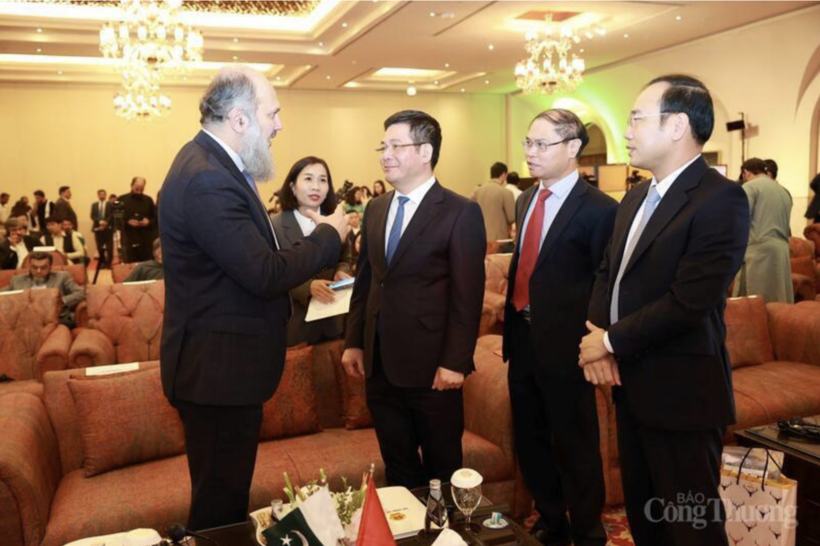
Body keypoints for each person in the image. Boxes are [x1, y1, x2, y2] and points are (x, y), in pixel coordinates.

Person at [158, 65, 348, 532]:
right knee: (219, 511)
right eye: (273, 113)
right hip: (218, 374)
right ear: (240, 119)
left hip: (221, 370)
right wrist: (329, 236)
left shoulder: (214, 166)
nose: (279, 124)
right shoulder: (207, 177)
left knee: (223, 499)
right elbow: (263, 272)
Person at [579, 75, 749, 546]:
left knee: (690, 525)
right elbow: (607, 273)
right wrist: (599, 339)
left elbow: (688, 303)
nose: (627, 131)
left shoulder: (721, 199)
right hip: (629, 385)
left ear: (676, 126)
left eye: (636, 118)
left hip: (682, 393)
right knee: (645, 518)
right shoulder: (635, 196)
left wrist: (609, 340)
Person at [342, 110, 486, 488]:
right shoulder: (375, 208)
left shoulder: (460, 212)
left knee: (443, 468)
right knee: (399, 467)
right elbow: (367, 282)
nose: (384, 155)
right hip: (380, 364)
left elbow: (467, 296)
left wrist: (455, 361)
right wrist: (354, 342)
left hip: (432, 369)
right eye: (383, 146)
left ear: (425, 151)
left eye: (395, 146)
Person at [504, 109, 617, 546]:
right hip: (522, 338)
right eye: (527, 144)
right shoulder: (525, 198)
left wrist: (598, 342)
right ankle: (551, 518)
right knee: (530, 439)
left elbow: (603, 283)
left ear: (572, 148)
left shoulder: (601, 209)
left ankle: (588, 530)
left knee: (576, 443)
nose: (530, 153)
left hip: (570, 345)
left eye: (541, 144)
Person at [272, 156, 353, 347]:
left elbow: (345, 258)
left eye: (322, 180)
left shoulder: (335, 221)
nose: (316, 186)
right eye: (308, 179)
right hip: (294, 327)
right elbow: (270, 273)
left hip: (333, 323)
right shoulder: (274, 225)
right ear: (292, 186)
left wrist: (343, 272)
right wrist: (307, 288)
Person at [733, 157, 793, 303]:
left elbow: (740, 220)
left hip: (758, 254)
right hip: (782, 253)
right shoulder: (784, 191)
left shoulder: (750, 187)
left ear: (746, 172)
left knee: (752, 305)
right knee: (778, 305)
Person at [2, 251, 85, 327]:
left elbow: (81, 292)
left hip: (57, 319)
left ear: (50, 267)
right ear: (29, 267)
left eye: (43, 267)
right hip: (26, 321)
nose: (38, 271)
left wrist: (62, 300)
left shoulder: (62, 277)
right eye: (34, 267)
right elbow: (2, 293)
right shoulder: (17, 280)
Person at [472, 161, 516, 242]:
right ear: (503, 174)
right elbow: (512, 217)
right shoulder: (506, 192)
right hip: (499, 239)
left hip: (479, 236)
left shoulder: (477, 191)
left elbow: (470, 212)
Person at [120, 177, 158, 263]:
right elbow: (116, 220)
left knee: (146, 263)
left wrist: (148, 222)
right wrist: (128, 222)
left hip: (145, 239)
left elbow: (155, 219)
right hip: (128, 238)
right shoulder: (122, 199)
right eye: (137, 187)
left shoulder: (148, 200)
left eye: (142, 187)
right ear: (132, 185)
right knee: (130, 265)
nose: (139, 189)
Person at [91, 188, 114, 268]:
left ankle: (109, 264)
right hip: (98, 228)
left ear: (105, 195)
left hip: (108, 229)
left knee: (109, 248)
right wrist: (100, 222)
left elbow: (111, 215)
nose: (102, 196)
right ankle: (103, 263)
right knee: (99, 247)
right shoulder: (94, 205)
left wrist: (105, 222)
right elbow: (92, 216)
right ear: (98, 195)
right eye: (100, 194)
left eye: (103, 194)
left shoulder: (110, 204)